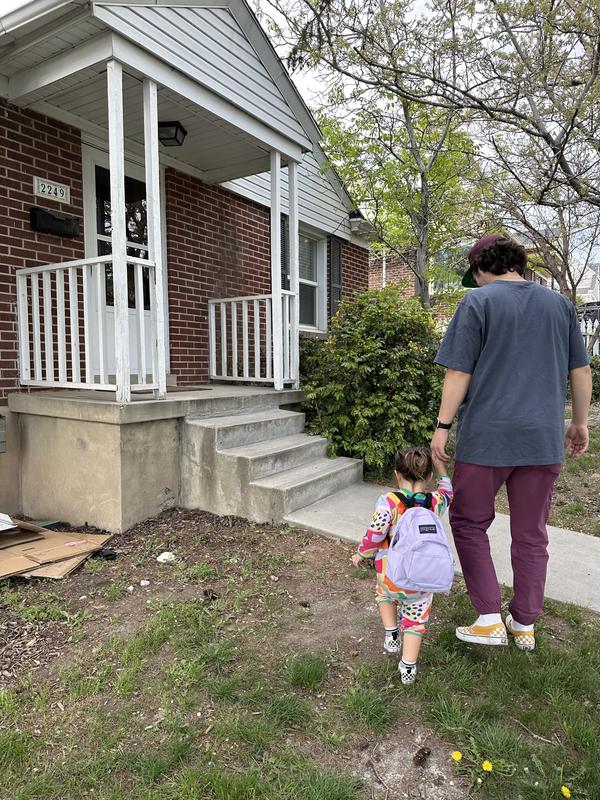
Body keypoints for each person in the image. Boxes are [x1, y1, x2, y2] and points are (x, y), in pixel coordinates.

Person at [431, 234, 592, 651]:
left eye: (475, 275)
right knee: (531, 533)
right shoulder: (559, 304)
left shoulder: (478, 303)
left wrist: (442, 426)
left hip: (487, 437)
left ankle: (488, 618)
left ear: (483, 266)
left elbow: (458, 373)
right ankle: (523, 624)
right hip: (541, 439)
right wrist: (579, 423)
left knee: (468, 522)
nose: (477, 283)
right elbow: (581, 369)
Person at [351, 447, 453, 684]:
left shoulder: (389, 502)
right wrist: (440, 466)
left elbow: (375, 533)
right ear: (428, 478)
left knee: (382, 595)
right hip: (421, 580)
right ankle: (408, 668)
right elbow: (448, 490)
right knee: (415, 621)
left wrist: (361, 554)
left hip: (390, 577)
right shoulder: (436, 502)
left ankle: (391, 633)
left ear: (397, 474)